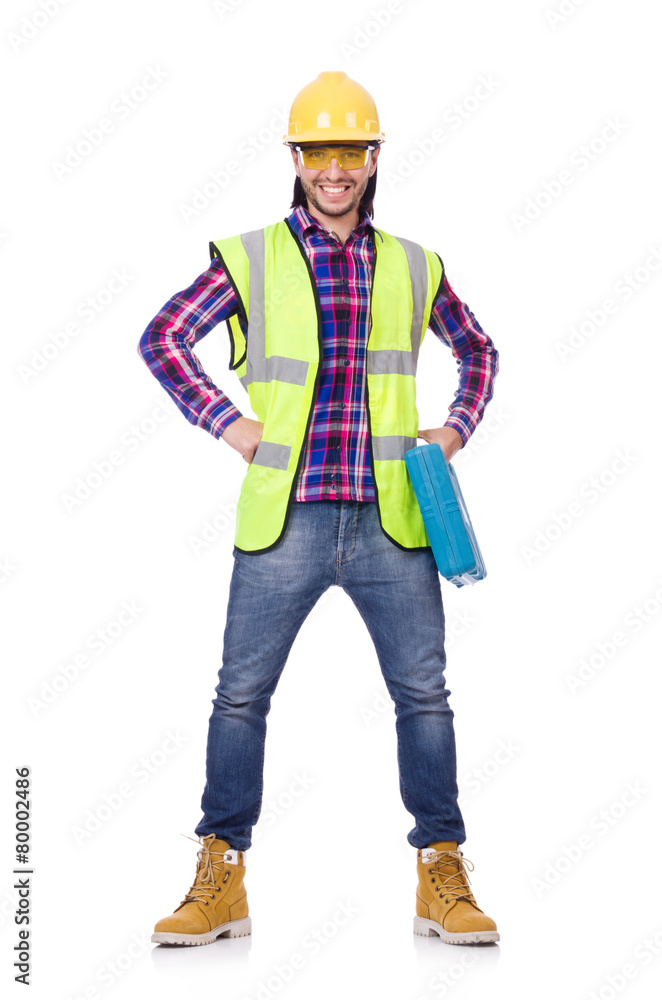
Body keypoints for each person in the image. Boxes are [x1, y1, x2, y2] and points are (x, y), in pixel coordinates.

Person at [138, 70, 500, 948]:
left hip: (390, 524)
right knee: (239, 698)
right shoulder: (252, 256)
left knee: (425, 699)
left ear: (372, 159)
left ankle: (441, 871)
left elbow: (480, 349)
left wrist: (453, 430)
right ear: (296, 159)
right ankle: (221, 875)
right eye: (318, 152)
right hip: (286, 519)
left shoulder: (415, 264)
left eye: (350, 152)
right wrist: (227, 423)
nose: (334, 169)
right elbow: (163, 337)